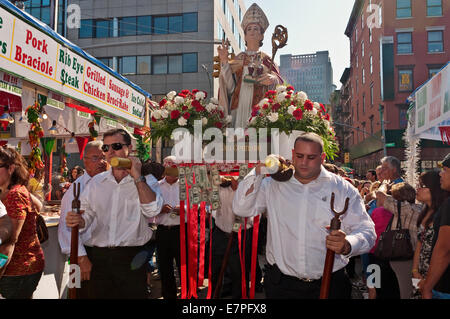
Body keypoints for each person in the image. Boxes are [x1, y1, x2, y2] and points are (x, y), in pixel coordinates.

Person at [232, 132, 376, 299]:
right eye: (299, 156)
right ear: (292, 154)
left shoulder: (342, 188)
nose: (303, 162)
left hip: (330, 284)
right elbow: (241, 209)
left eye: (311, 157)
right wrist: (258, 171)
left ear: (322, 158)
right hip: (282, 287)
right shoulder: (272, 185)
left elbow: (367, 232)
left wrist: (347, 244)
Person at [66, 128, 163, 299]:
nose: (110, 152)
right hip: (100, 259)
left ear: (129, 148)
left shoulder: (147, 181)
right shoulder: (97, 182)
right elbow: (87, 216)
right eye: (106, 148)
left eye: (116, 146)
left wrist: (137, 177)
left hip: (131, 259)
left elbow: (153, 210)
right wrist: (80, 221)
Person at [217, 3, 283, 128]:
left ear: (262, 35)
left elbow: (279, 84)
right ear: (245, 36)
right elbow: (230, 87)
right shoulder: (239, 58)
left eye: (256, 29)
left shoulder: (267, 60)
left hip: (259, 108)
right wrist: (225, 61)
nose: (252, 31)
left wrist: (273, 80)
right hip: (238, 106)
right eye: (249, 29)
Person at [58, 141, 108, 299]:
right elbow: (66, 229)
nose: (101, 162)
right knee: (79, 293)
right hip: (83, 253)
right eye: (95, 158)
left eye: (103, 157)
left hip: (107, 253)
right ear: (84, 161)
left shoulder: (110, 185)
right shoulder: (76, 189)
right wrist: (81, 258)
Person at [0, 147, 45, 299]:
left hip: (18, 270)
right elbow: (39, 206)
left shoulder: (14, 194)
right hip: (22, 267)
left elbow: (10, 241)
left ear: (11, 168)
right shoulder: (13, 190)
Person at [211, 175, 262, 299]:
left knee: (238, 271)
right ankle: (215, 294)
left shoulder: (250, 193)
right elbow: (212, 208)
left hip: (240, 236)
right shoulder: (220, 189)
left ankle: (238, 297)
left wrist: (243, 216)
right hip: (221, 232)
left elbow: (256, 215)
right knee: (216, 267)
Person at [377, 182, 421, 299]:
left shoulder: (403, 208)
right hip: (416, 256)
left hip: (400, 256)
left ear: (396, 198)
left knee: (403, 291)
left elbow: (379, 195)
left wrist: (384, 186)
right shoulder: (421, 208)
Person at [411, 170, 449, 298]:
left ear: (434, 189)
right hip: (420, 274)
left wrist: (428, 282)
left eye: (422, 186)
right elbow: (419, 244)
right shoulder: (424, 211)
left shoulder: (444, 211)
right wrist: (415, 270)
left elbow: (444, 250)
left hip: (438, 276)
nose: (418, 189)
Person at [420, 153, 450, 299]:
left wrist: (428, 287)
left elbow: (444, 250)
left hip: (444, 287)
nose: (441, 175)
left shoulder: (448, 205)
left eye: (445, 170)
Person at [154, 156, 184, 299]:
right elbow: (148, 209)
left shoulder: (186, 186)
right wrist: (160, 209)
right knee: (165, 267)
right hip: (163, 231)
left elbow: (197, 207)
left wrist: (184, 209)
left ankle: (187, 294)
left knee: (183, 265)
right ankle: (169, 295)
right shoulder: (156, 186)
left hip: (181, 230)